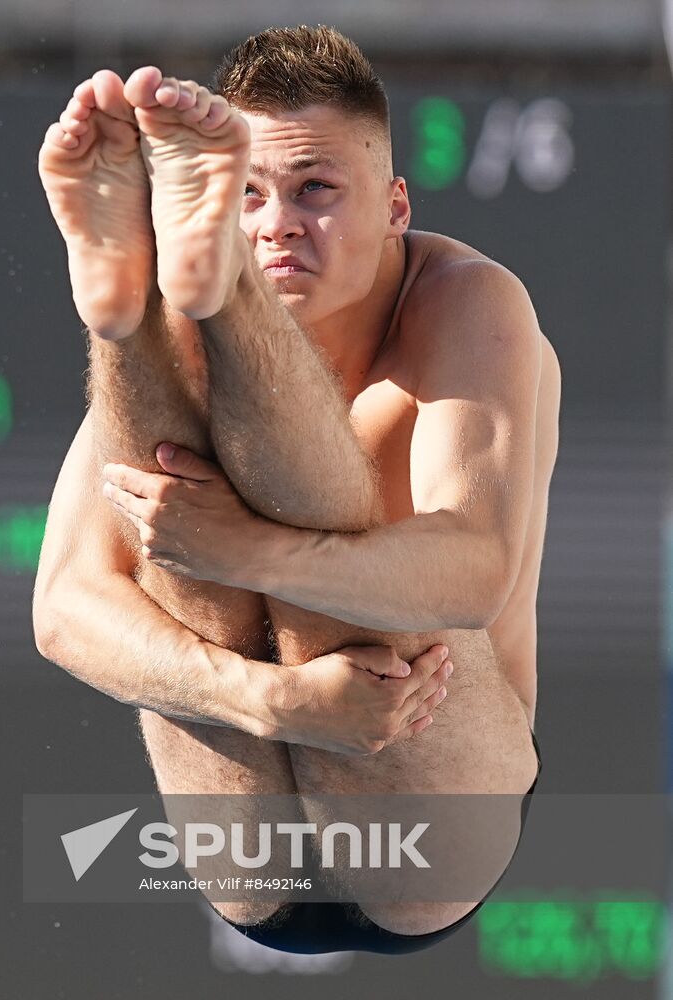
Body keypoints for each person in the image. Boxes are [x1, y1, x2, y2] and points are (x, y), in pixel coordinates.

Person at [31, 25, 560, 955]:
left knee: (262, 524)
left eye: (315, 190)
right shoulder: (180, 365)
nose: (277, 224)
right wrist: (272, 701)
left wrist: (244, 550)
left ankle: (196, 295)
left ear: (396, 204)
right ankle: (121, 316)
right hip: (247, 842)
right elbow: (64, 612)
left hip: (434, 821)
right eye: (246, 196)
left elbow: (474, 575)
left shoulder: (467, 305)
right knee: (168, 511)